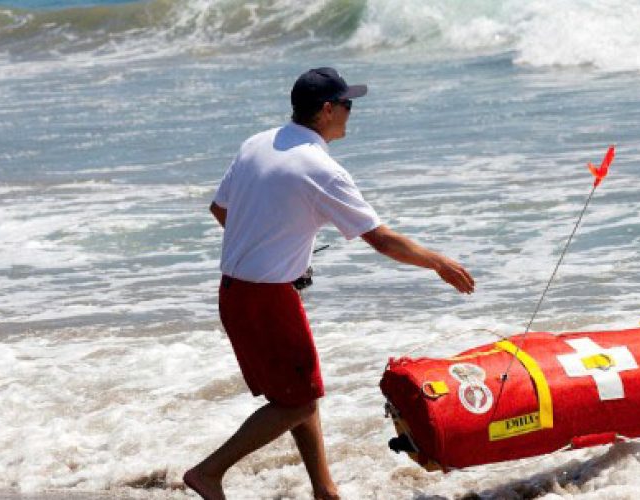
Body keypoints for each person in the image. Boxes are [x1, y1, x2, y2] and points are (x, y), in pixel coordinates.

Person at [183, 67, 475, 500]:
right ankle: (208, 473)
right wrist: (438, 263)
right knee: (297, 402)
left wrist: (272, 247)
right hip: (266, 301)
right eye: (347, 105)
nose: (350, 114)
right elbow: (381, 239)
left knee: (301, 394)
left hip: (235, 292)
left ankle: (325, 489)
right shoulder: (322, 169)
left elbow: (220, 209)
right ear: (326, 111)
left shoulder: (257, 143)